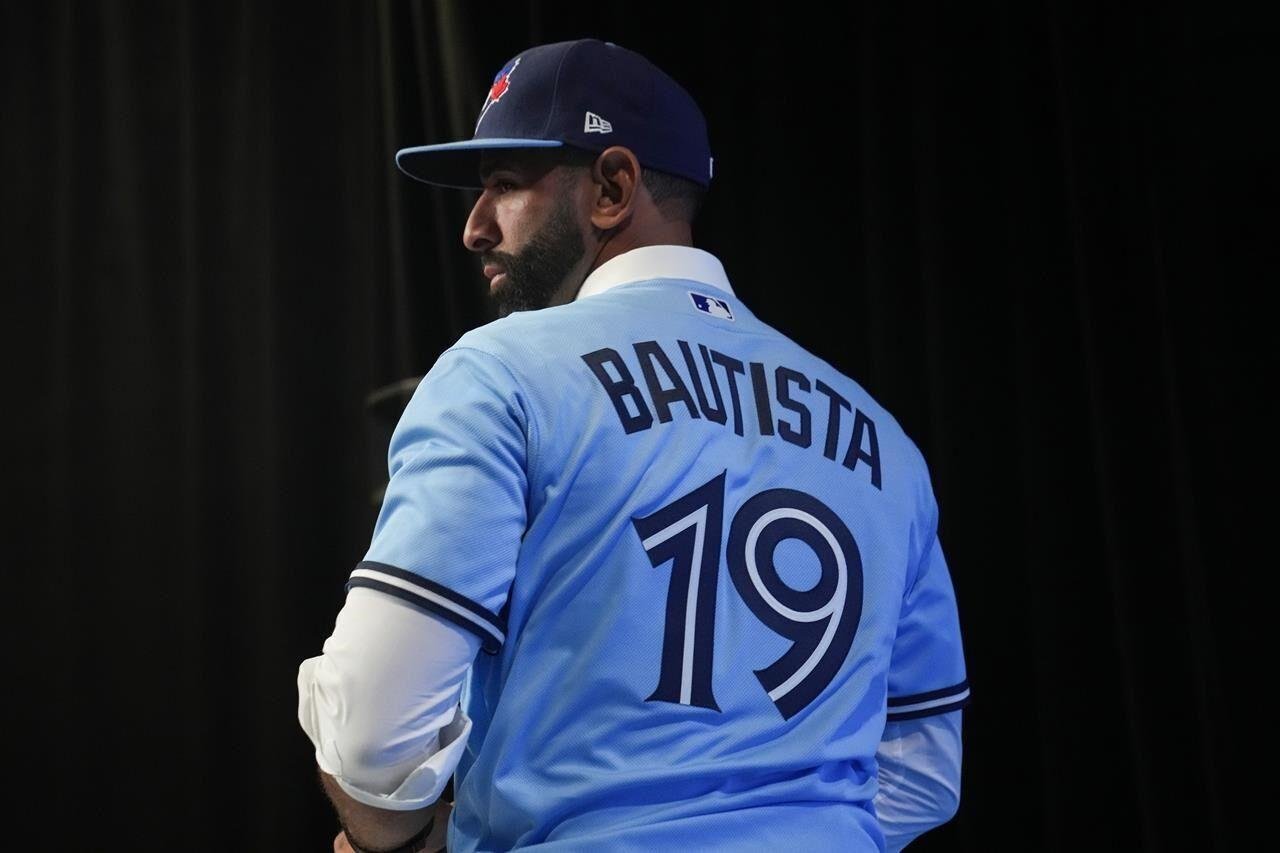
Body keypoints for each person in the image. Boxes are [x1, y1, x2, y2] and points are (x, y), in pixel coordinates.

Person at [296, 37, 972, 853]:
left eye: (505, 186)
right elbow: (923, 773)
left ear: (613, 187)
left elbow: (373, 737)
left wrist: (394, 839)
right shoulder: (882, 439)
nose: (474, 228)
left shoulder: (499, 373)